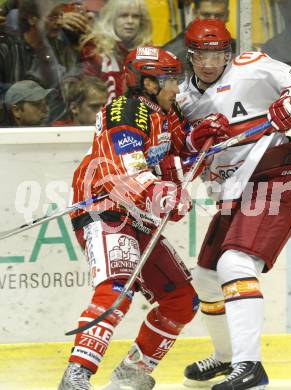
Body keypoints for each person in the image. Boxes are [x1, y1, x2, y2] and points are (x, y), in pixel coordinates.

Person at [177, 18, 291, 389]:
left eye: (219, 54)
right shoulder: (183, 97)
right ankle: (228, 358)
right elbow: (180, 154)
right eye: (203, 55)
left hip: (278, 172)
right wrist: (191, 141)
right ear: (191, 55)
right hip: (233, 189)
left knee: (235, 262)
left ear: (229, 52)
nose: (212, 63)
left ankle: (250, 368)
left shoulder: (253, 67)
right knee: (207, 278)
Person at [57, 46, 222, 390]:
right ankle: (76, 377)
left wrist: (200, 144)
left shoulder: (165, 111)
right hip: (106, 208)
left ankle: (128, 377)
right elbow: (125, 166)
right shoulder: (126, 109)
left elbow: (175, 159)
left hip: (138, 215)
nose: (177, 88)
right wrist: (162, 193)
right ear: (147, 83)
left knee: (180, 301)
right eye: (170, 80)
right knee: (116, 290)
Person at [80, 0, 152, 103]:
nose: (130, 21)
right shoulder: (95, 52)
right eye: (123, 16)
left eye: (135, 16)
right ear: (112, 19)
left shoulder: (148, 54)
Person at [163, 0, 234, 68]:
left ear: (227, 15)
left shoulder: (237, 49)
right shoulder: (170, 54)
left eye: (219, 15)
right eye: (206, 15)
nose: (212, 21)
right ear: (194, 13)